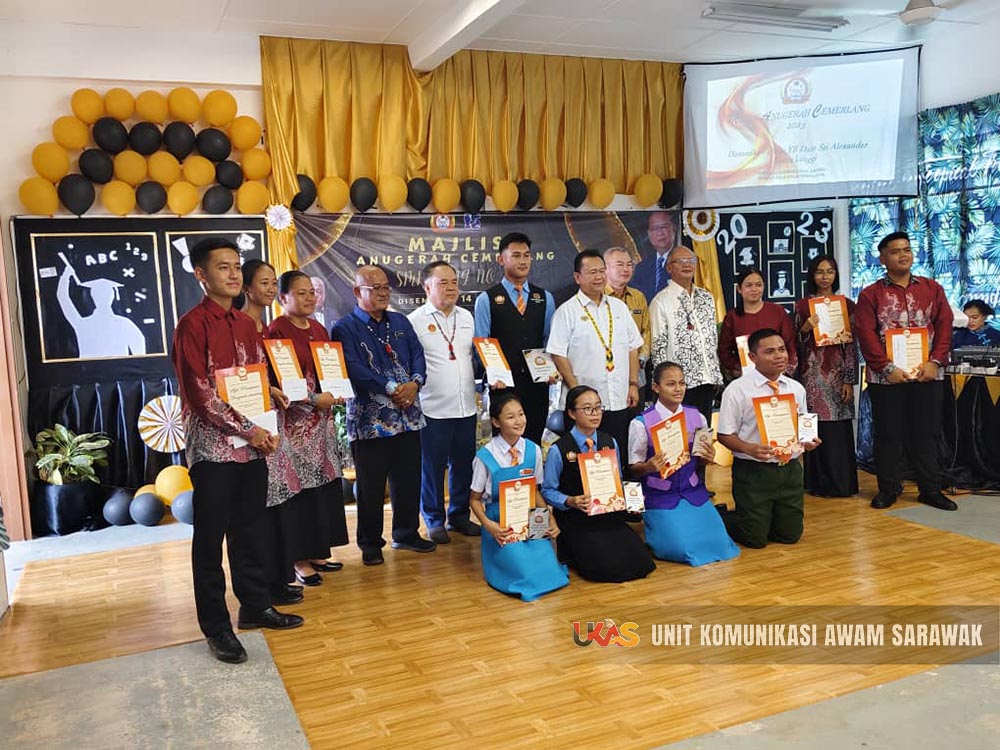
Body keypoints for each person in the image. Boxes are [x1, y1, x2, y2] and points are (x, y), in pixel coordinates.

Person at [171, 238, 302, 665]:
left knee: (251, 529)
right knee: (210, 539)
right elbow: (200, 394)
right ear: (201, 275)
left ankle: (255, 605)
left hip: (252, 446)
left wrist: (271, 392)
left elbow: (249, 376)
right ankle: (216, 627)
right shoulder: (192, 325)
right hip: (214, 449)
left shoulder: (246, 324)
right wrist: (250, 429)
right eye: (222, 267)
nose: (232, 274)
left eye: (236, 266)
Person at [330, 266, 435, 565]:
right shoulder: (345, 327)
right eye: (374, 288)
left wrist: (415, 383)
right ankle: (370, 543)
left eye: (385, 287)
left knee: (408, 479)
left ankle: (406, 533)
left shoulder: (400, 321)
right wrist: (391, 388)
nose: (382, 293)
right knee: (371, 485)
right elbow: (354, 367)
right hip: (370, 422)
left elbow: (418, 354)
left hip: (408, 415)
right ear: (357, 291)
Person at [855, 231, 956, 511]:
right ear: (882, 258)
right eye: (896, 251)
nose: (903, 255)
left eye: (907, 250)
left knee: (927, 434)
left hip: (927, 374)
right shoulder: (870, 294)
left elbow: (945, 326)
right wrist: (886, 368)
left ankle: (930, 490)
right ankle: (888, 489)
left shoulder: (932, 288)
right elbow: (866, 334)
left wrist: (935, 362)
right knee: (889, 435)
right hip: (887, 378)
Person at [268, 271, 350, 586]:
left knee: (322, 488)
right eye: (300, 293)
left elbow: (331, 372)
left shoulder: (318, 329)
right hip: (295, 426)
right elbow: (282, 381)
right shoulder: (277, 331)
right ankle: (298, 560)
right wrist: (315, 399)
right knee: (299, 489)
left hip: (322, 425)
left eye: (311, 293)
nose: (309, 298)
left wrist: (337, 391)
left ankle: (317, 550)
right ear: (283, 298)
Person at [239, 260, 305, 606]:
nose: (269, 288)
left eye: (272, 282)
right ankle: (263, 585)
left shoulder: (265, 327)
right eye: (263, 283)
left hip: (273, 420)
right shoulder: (239, 325)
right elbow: (237, 378)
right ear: (246, 288)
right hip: (249, 426)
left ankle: (280, 576)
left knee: (279, 500)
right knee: (259, 506)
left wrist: (274, 389)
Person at [717, 328, 821, 548]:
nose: (779, 356)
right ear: (753, 357)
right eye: (770, 352)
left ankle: (764, 517)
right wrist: (748, 448)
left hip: (789, 469)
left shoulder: (796, 388)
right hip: (754, 470)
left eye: (782, 350)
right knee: (755, 539)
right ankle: (719, 517)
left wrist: (808, 441)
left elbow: (804, 425)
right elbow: (724, 435)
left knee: (790, 536)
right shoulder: (737, 390)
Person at [628, 361, 739, 566]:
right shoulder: (640, 423)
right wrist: (649, 467)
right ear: (656, 387)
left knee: (721, 544)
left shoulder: (697, 417)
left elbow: (701, 460)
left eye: (682, 383)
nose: (678, 389)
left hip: (692, 491)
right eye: (671, 384)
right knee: (681, 548)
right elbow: (634, 468)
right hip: (660, 495)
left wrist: (708, 457)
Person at [541, 385, 656, 582]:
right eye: (587, 409)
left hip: (606, 513)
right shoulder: (558, 449)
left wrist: (630, 498)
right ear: (571, 413)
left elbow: (618, 480)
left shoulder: (610, 442)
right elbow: (547, 490)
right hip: (576, 517)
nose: (595, 413)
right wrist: (569, 501)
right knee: (602, 567)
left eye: (598, 407)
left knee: (641, 561)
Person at [469, 391, 569, 601]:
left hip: (529, 516)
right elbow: (474, 500)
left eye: (521, 414)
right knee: (524, 571)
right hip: (500, 523)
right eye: (510, 417)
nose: (519, 421)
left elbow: (535, 491)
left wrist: (548, 518)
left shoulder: (533, 450)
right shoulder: (485, 456)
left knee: (549, 569)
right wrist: (489, 526)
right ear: (496, 422)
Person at [408, 261, 481, 544]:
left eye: (454, 282)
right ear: (427, 288)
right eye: (443, 283)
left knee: (463, 465)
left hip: (466, 406)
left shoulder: (467, 317)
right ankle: (434, 520)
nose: (451, 288)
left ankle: (459, 516)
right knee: (432, 468)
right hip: (432, 408)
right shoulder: (414, 320)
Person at [547, 249, 642, 461]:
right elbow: (558, 355)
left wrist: (633, 384)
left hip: (618, 399)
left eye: (601, 271)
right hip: (583, 407)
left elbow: (633, 347)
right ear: (577, 277)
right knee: (583, 461)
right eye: (592, 272)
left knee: (616, 459)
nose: (599, 277)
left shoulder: (619, 308)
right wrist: (577, 392)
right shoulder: (567, 311)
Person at [473, 232, 557, 445]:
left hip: (537, 386)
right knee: (504, 445)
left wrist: (550, 370)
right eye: (516, 255)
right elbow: (481, 344)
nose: (523, 261)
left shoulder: (544, 298)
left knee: (533, 442)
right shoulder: (487, 299)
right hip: (503, 387)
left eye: (527, 255)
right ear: (501, 259)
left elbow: (550, 341)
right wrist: (493, 374)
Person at [793, 255, 859, 498]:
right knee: (813, 427)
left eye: (830, 271)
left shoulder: (847, 305)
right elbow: (792, 344)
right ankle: (815, 482)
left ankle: (840, 483)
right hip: (811, 374)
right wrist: (805, 328)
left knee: (838, 429)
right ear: (812, 275)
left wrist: (849, 379)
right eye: (820, 272)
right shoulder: (802, 306)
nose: (825, 276)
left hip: (837, 374)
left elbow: (851, 346)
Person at [649, 246, 723, 426]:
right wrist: (664, 384)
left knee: (702, 433)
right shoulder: (661, 301)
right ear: (669, 268)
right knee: (679, 433)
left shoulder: (706, 297)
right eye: (680, 261)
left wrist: (715, 373)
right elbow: (658, 346)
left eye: (691, 261)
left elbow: (712, 339)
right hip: (678, 384)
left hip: (707, 379)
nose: (687, 265)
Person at [718, 268, 797, 380]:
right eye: (749, 285)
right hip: (746, 379)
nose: (754, 289)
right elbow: (724, 351)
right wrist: (740, 371)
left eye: (758, 285)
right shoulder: (732, 318)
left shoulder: (777, 311)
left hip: (778, 376)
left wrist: (785, 370)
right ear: (739, 289)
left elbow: (790, 344)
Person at [603, 247, 650, 370]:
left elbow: (646, 330)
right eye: (620, 265)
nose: (625, 269)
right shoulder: (597, 297)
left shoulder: (638, 296)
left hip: (636, 365)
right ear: (605, 268)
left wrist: (642, 358)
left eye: (629, 265)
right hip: (605, 366)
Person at [633, 211, 677, 302]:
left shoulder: (683, 262)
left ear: (674, 228)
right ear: (649, 234)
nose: (660, 233)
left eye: (663, 227)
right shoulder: (641, 268)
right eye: (654, 229)